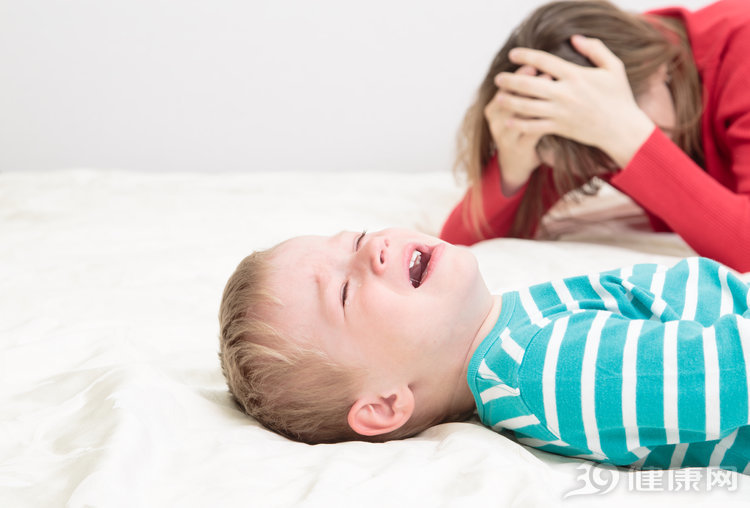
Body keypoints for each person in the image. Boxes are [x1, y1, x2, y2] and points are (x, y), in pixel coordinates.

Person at [219, 227, 750, 473]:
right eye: (344, 292)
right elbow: (730, 375)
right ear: (384, 404)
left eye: (354, 240)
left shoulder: (511, 328)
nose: (374, 250)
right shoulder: (543, 370)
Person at [439, 0, 750, 273]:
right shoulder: (586, 116)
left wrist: (627, 135)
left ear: (656, 69)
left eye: (612, 129)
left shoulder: (741, 43)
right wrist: (511, 168)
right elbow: (454, 252)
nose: (612, 164)